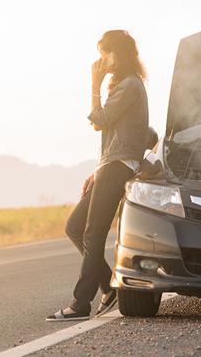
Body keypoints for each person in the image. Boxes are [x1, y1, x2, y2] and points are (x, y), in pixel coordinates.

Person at [47, 30, 149, 321]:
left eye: (106, 52)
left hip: (118, 167)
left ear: (120, 53)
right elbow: (111, 132)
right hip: (110, 165)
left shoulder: (130, 85)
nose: (102, 59)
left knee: (93, 232)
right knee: (75, 227)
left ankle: (81, 304)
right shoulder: (123, 86)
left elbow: (99, 120)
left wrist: (94, 84)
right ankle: (109, 285)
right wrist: (98, 168)